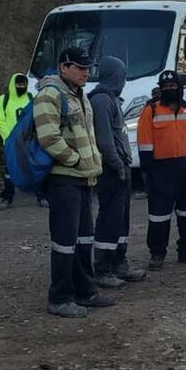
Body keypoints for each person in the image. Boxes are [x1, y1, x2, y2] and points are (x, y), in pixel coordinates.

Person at [35, 46, 111, 318]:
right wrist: (76, 160)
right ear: (63, 67)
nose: (85, 73)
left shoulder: (79, 96)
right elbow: (49, 138)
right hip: (64, 180)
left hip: (83, 178)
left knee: (84, 239)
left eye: (88, 68)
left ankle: (86, 291)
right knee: (65, 242)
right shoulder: (50, 95)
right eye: (80, 68)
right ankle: (60, 297)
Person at [137, 70, 186, 270]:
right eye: (165, 86)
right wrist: (149, 170)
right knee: (159, 216)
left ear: (180, 86)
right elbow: (144, 141)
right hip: (161, 170)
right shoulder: (151, 110)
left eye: (173, 85)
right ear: (160, 88)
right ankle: (157, 254)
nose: (169, 89)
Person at [89, 56, 147, 288]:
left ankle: (119, 263)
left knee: (121, 218)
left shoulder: (113, 99)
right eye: (122, 74)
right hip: (111, 170)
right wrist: (117, 165)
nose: (124, 79)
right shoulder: (102, 101)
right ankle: (103, 269)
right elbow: (105, 140)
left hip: (121, 168)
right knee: (109, 218)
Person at [0, 73, 47, 209]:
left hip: (28, 141)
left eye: (23, 84)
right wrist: (8, 139)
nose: (21, 86)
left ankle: (41, 196)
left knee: (33, 168)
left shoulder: (30, 97)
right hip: (12, 143)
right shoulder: (4, 99)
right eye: (18, 84)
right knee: (9, 170)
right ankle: (7, 198)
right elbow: (0, 120)